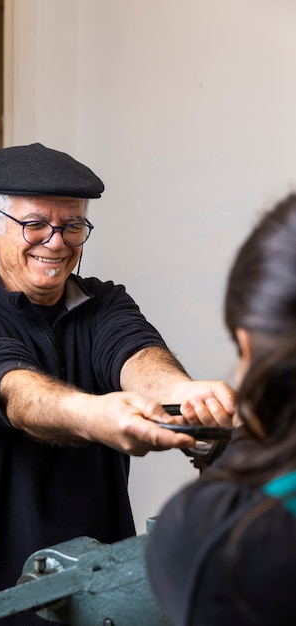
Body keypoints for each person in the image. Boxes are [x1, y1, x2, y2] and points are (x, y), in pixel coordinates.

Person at [0, 143, 234, 625]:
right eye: (36, 225)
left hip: (96, 596)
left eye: (72, 226)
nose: (57, 242)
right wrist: (99, 416)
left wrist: (184, 396)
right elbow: (16, 392)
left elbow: (137, 355)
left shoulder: (105, 304)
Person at [146, 193, 296, 626]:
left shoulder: (210, 534)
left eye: (73, 225)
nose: (56, 241)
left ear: (247, 345)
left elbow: (127, 347)